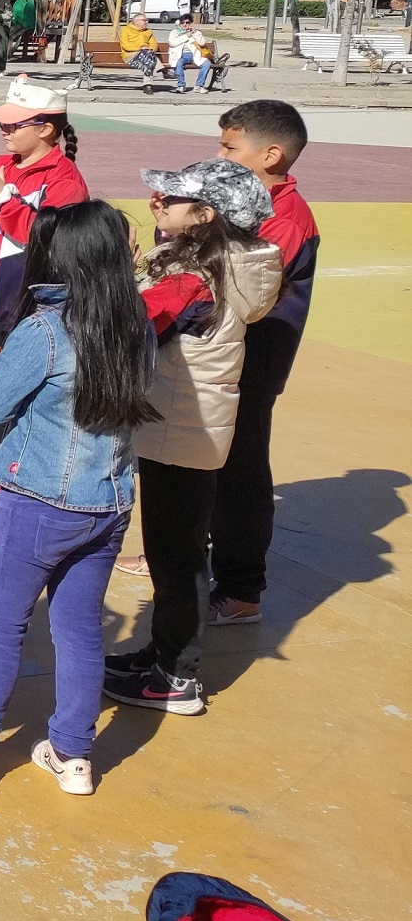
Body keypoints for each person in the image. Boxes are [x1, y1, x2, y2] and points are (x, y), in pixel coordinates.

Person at [0, 202, 153, 801]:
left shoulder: (44, 329)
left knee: (0, 626)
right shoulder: (135, 322)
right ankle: (72, 753)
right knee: (80, 630)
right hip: (108, 501)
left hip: (40, 501)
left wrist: (2, 369)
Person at [104, 160, 280, 717]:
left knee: (177, 558)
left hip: (181, 431)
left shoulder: (194, 277)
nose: (157, 201)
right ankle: (162, 652)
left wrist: (107, 274)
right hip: (181, 426)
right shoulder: (209, 264)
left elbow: (134, 323)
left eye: (171, 197)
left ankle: (176, 675)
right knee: (173, 552)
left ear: (206, 216)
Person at [0, 76, 88, 510]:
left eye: (15, 124)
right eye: (3, 123)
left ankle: (8, 475)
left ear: (46, 128)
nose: (4, 130)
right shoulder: (2, 165)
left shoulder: (63, 180)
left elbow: (49, 241)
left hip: (28, 303)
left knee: (23, 392)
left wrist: (3, 199)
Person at [206, 101, 318, 627]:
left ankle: (241, 588)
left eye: (230, 147)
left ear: (271, 155)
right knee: (203, 459)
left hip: (253, 360)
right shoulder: (247, 203)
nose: (220, 156)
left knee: (241, 471)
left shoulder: (285, 218)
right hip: (223, 353)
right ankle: (186, 555)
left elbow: (242, 287)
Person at [169, 16, 216, 94]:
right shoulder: (174, 32)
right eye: (182, 22)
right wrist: (186, 36)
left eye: (187, 22)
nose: (185, 24)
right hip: (181, 56)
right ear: (179, 23)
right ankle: (181, 85)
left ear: (190, 23)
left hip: (195, 55)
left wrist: (194, 33)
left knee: (207, 63)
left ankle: (199, 86)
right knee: (178, 63)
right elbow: (172, 43)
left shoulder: (196, 32)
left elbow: (202, 43)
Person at [119, 12, 161, 86]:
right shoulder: (125, 30)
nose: (147, 22)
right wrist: (140, 48)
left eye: (147, 20)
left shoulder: (148, 32)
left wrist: (149, 49)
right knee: (149, 59)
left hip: (146, 55)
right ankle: (161, 70)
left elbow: (154, 45)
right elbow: (126, 45)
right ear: (136, 21)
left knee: (148, 58)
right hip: (130, 56)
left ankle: (148, 85)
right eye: (144, 20)